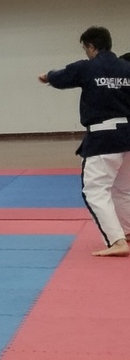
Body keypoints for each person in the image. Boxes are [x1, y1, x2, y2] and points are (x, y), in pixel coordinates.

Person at [40, 26, 130, 256]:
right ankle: (127, 231)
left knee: (94, 190)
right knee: (122, 190)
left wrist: (48, 76)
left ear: (91, 47)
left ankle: (116, 241)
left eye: (86, 48)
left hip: (103, 137)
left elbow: (62, 76)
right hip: (127, 134)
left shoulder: (87, 67)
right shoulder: (126, 67)